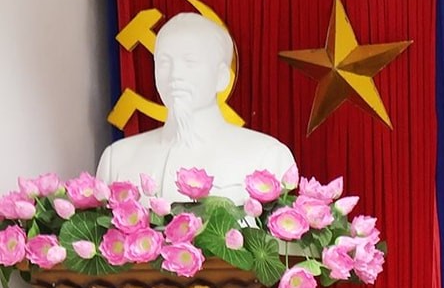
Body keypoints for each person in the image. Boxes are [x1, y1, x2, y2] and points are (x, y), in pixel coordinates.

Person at [96, 11, 297, 204]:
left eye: (190, 62)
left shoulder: (266, 156)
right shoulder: (118, 159)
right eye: (164, 62)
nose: (175, 74)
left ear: (221, 77)